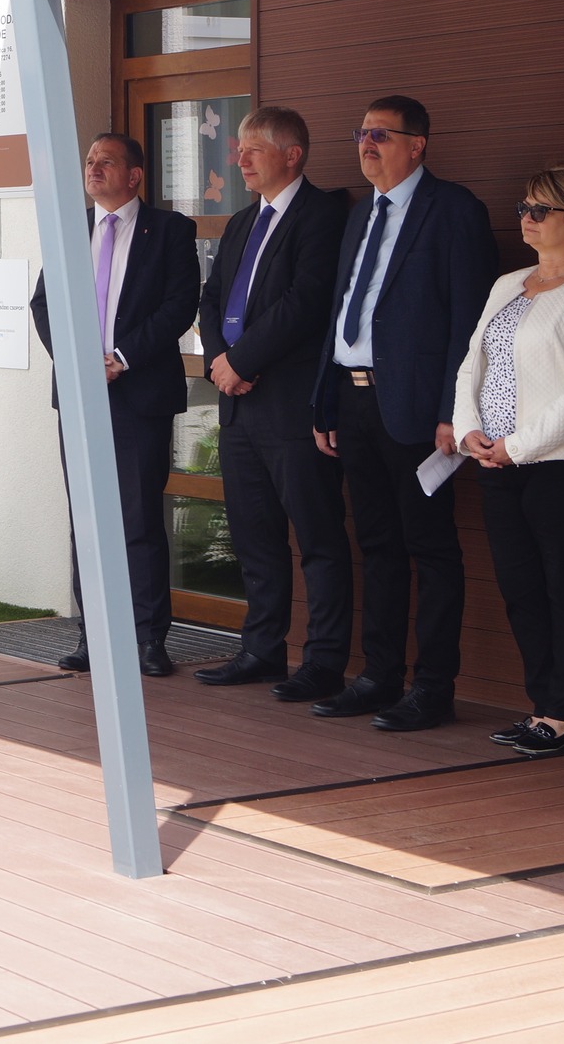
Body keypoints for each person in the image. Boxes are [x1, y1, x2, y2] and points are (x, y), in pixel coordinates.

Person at [311, 95, 495, 732]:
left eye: (381, 135)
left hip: (418, 409)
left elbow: (468, 320)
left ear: (418, 145)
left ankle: (433, 687)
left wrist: (452, 410)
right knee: (377, 544)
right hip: (354, 399)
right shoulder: (361, 214)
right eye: (361, 134)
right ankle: (378, 676)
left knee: (430, 547)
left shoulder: (454, 210)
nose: (367, 144)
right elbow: (341, 312)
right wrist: (326, 400)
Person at [450, 163, 564, 757]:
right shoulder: (508, 284)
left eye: (541, 210)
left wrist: (516, 446)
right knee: (520, 586)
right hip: (497, 462)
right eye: (524, 207)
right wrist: (470, 432)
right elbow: (473, 363)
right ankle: (541, 706)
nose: (526, 218)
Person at [190, 106, 353, 702]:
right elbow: (211, 299)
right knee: (254, 536)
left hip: (290, 404)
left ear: (292, 154)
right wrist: (219, 360)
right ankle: (261, 649)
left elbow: (305, 302)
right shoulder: (241, 222)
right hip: (238, 406)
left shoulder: (324, 215)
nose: (240, 159)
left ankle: (324, 662)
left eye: (253, 149)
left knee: (318, 537)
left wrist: (242, 360)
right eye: (238, 148)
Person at [32, 133, 199, 677]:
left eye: (106, 161)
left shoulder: (170, 231)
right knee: (86, 517)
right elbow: (43, 302)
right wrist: (77, 361)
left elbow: (179, 306)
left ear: (134, 175)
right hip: (82, 396)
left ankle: (149, 638)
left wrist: (122, 357)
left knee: (137, 517)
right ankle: (94, 635)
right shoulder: (71, 227)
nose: (93, 168)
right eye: (89, 161)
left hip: (139, 394)